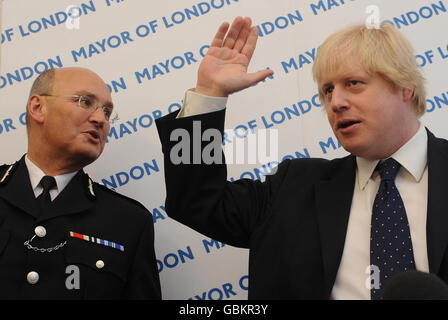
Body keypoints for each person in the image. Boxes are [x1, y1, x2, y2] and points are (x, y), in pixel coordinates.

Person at [156, 16, 448, 299]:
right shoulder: (292, 187)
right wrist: (209, 94)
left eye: (354, 83)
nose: (336, 102)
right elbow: (194, 202)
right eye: (328, 90)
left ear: (405, 87)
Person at [0, 67, 161, 299]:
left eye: (107, 112)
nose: (100, 119)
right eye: (85, 102)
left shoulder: (129, 221)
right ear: (38, 107)